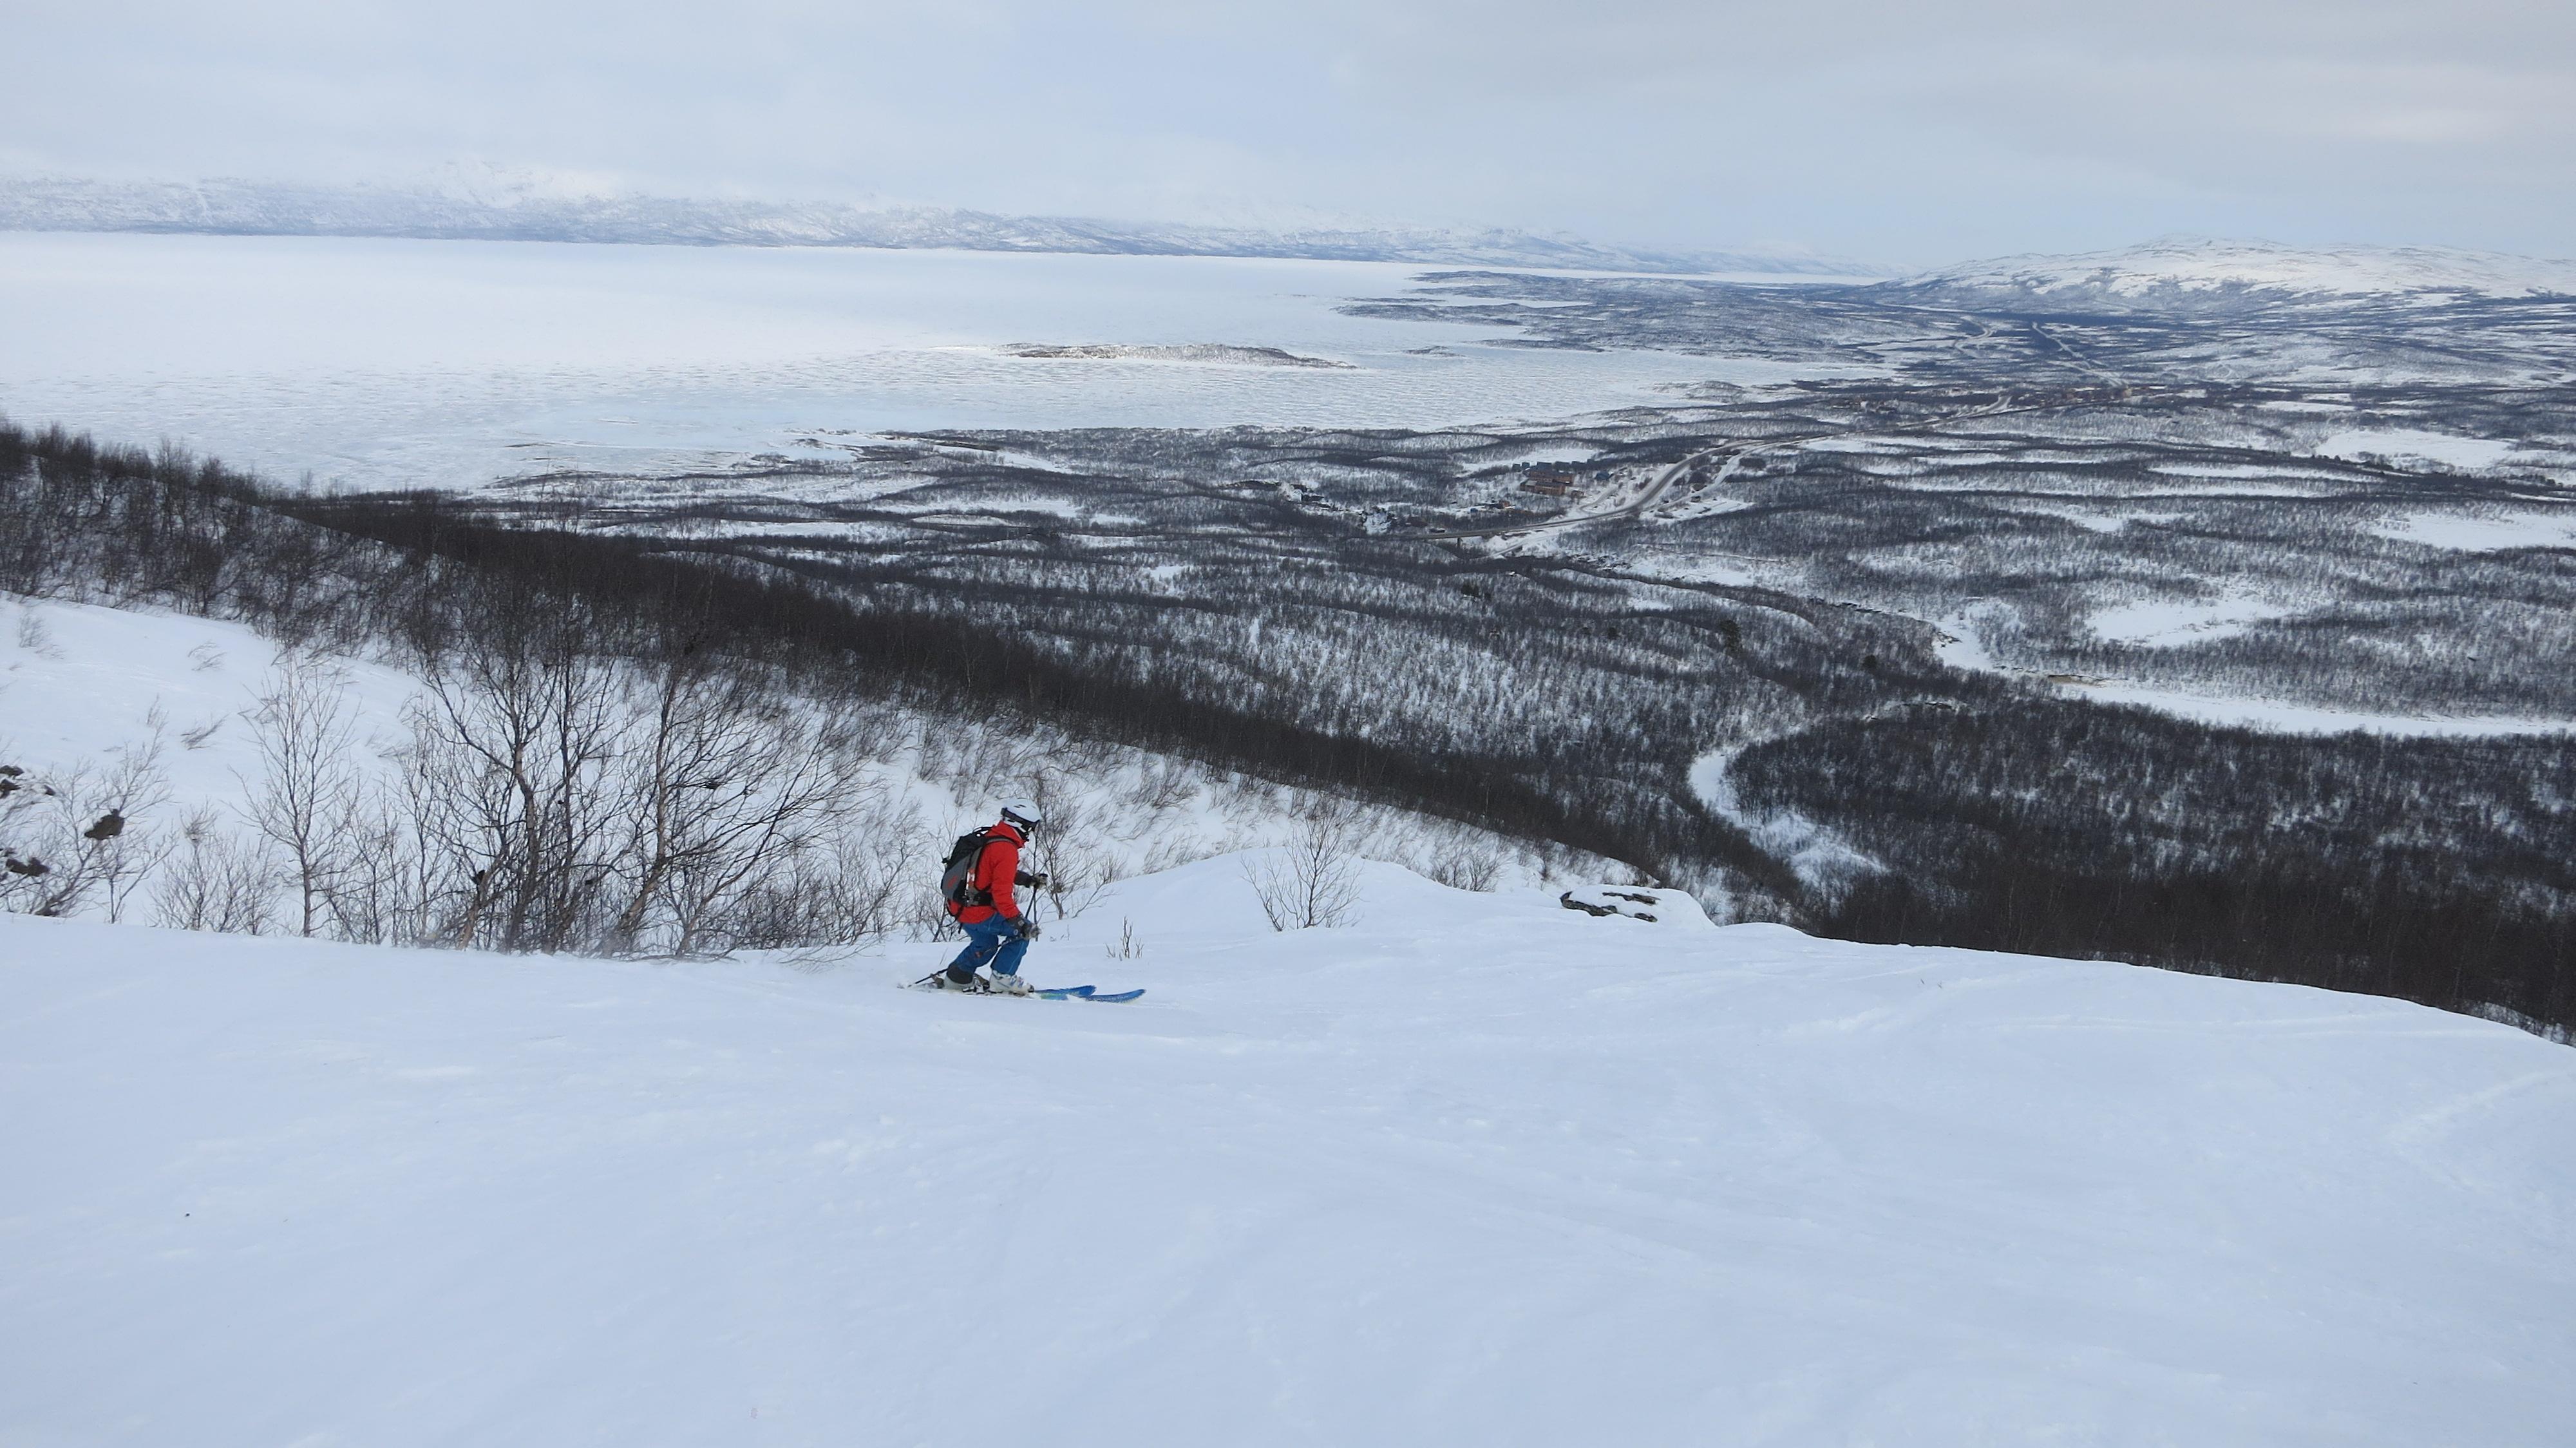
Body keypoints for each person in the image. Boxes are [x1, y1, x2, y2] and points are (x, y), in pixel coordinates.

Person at [937, 800, 1048, 993]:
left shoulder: (992, 836)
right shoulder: (1006, 849)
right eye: (1031, 827)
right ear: (1022, 825)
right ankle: (1003, 978)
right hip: (978, 912)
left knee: (986, 943)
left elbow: (990, 871)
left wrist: (1027, 880)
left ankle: (957, 978)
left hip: (959, 906)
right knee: (1020, 934)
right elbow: (1002, 896)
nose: (1030, 833)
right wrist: (1020, 924)